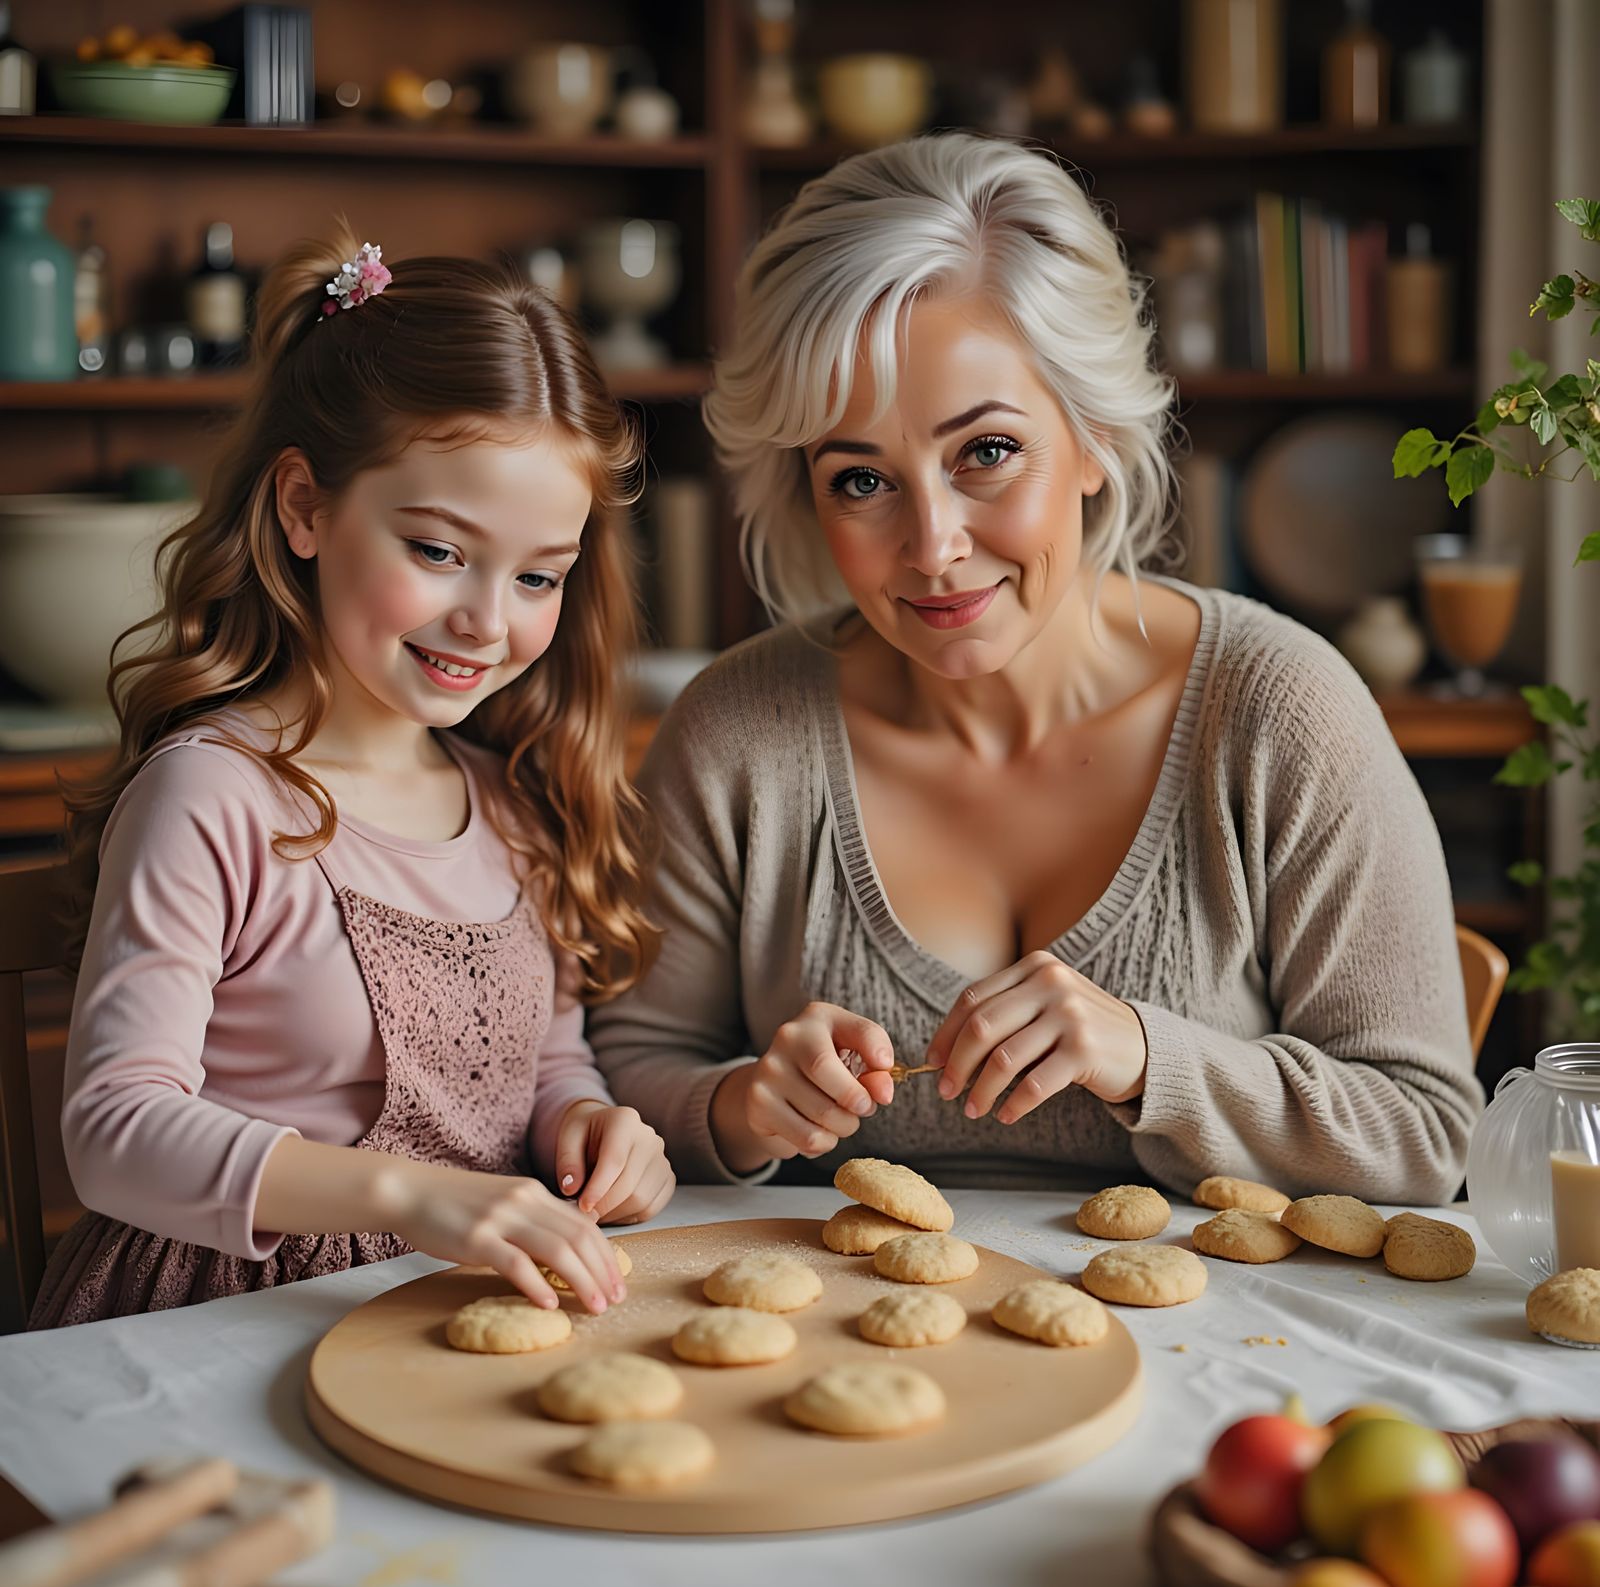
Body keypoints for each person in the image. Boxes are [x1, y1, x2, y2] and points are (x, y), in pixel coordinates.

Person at [590, 132, 1482, 1205]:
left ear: (1095, 432)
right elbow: (625, 1079)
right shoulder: (734, 731)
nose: (932, 545)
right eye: (861, 480)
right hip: (850, 1346)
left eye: (986, 452)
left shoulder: (1279, 711)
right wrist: (739, 1105)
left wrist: (1150, 1058)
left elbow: (1427, 1135)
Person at [31, 226, 673, 1329]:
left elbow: (548, 1057)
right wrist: (407, 1195)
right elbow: (114, 1131)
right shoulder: (214, 796)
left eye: (536, 575)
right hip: (217, 1320)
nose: (486, 618)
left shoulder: (513, 803)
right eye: (436, 550)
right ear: (305, 509)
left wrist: (590, 1121)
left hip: (440, 1313)